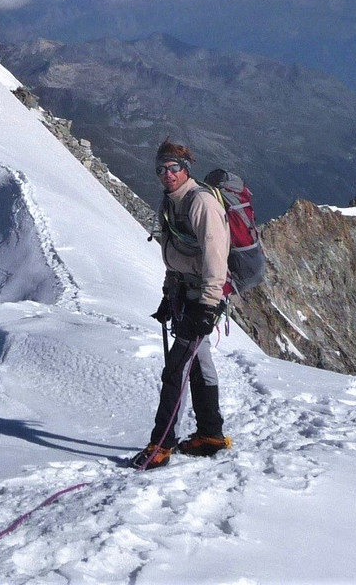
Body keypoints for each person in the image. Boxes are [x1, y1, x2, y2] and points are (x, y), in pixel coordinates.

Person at [131, 141, 232, 470]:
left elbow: (216, 256)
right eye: (161, 169)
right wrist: (167, 293)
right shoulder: (170, 203)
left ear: (187, 168)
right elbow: (174, 254)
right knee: (199, 367)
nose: (167, 174)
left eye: (173, 167)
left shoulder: (200, 202)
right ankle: (211, 436)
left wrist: (208, 306)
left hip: (203, 296)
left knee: (176, 368)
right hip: (184, 293)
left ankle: (160, 444)